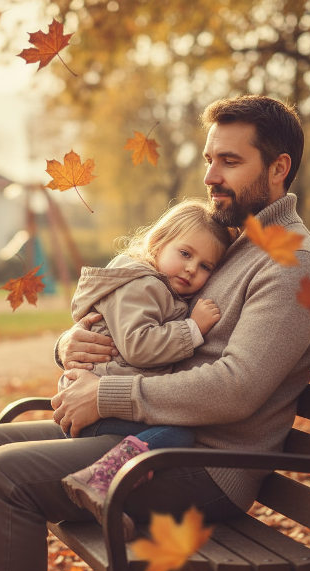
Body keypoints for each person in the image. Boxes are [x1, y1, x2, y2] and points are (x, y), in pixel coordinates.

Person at [0, 95, 310, 571]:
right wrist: (72, 345)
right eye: (209, 160)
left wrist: (107, 396)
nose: (211, 175)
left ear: (279, 168)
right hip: (152, 436)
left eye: (230, 161)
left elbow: (236, 388)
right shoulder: (234, 243)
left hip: (208, 465)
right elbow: (140, 312)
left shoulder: (293, 264)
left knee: (4, 477)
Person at [58, 199, 234, 539]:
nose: (191, 269)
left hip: (101, 398)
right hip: (95, 405)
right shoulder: (141, 285)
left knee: (174, 428)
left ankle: (107, 485)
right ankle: (102, 479)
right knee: (179, 433)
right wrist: (193, 329)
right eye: (185, 254)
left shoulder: (156, 286)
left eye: (205, 266)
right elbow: (138, 346)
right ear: (157, 244)